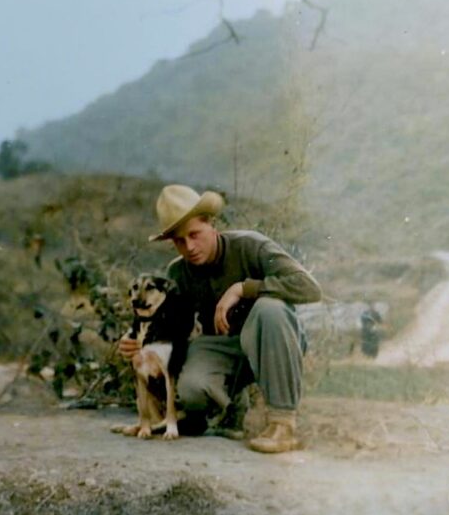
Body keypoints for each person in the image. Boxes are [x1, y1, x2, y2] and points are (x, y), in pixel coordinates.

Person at [119, 184, 322, 453]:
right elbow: (172, 327)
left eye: (195, 234)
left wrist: (243, 289)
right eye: (179, 241)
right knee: (192, 389)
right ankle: (229, 408)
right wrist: (139, 343)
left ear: (211, 224)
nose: (189, 247)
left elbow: (309, 288)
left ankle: (283, 425)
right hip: (222, 347)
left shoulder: (251, 245)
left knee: (269, 308)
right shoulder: (177, 273)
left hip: (271, 340)